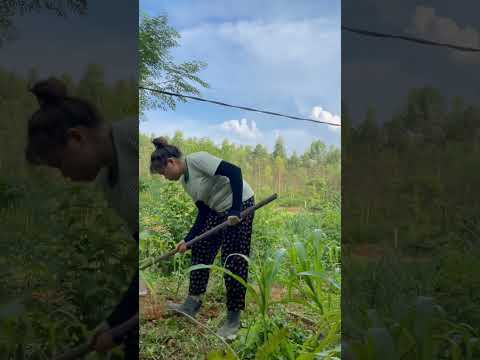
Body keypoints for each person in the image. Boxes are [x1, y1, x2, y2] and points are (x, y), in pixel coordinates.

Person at [25, 77, 138, 358]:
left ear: (76, 138)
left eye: (60, 164)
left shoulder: (134, 135)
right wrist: (113, 324)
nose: (65, 176)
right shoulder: (108, 187)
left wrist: (119, 328)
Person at [149, 137, 255, 339]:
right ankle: (192, 303)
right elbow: (204, 214)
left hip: (241, 204)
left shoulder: (197, 160)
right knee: (200, 247)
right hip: (218, 211)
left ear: (171, 162)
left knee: (233, 260)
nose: (164, 177)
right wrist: (188, 240)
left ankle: (233, 319)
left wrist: (235, 210)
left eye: (163, 173)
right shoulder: (186, 182)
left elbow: (235, 172)